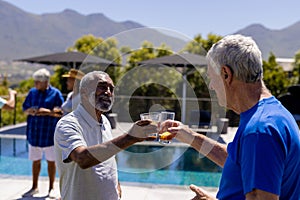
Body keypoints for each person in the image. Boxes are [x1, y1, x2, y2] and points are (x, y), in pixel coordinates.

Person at [162, 34, 300, 199]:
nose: (212, 86)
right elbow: (241, 162)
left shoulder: (259, 130)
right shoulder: (273, 114)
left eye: (212, 78)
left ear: (226, 74)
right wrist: (189, 135)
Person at [54, 71, 157, 200]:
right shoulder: (68, 124)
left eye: (111, 89)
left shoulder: (105, 122)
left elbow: (108, 157)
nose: (108, 92)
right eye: (102, 86)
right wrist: (130, 137)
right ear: (84, 93)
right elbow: (82, 158)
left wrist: (116, 185)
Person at [22, 68, 64, 198]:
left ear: (45, 82)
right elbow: (25, 108)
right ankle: (34, 187)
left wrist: (47, 112)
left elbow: (61, 112)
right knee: (36, 161)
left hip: (49, 134)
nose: (35, 84)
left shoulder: (55, 94)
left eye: (37, 82)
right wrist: (33, 111)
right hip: (34, 135)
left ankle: (52, 188)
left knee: (51, 162)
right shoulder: (32, 93)